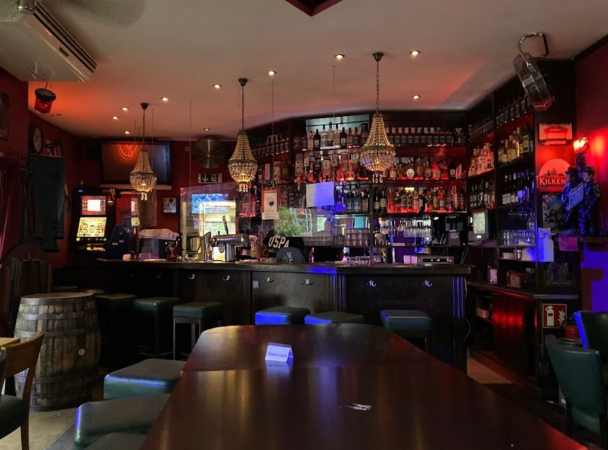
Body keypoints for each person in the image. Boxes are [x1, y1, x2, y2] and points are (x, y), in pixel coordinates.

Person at [579, 166, 600, 236]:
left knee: (591, 223)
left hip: (590, 208)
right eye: (583, 174)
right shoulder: (583, 184)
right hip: (583, 207)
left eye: (585, 174)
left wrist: (589, 205)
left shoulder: (594, 184)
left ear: (591, 175)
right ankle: (584, 235)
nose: (583, 175)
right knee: (583, 222)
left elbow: (597, 196)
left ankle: (591, 236)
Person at [561, 166, 580, 231]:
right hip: (566, 209)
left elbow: (576, 198)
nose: (566, 177)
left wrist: (571, 206)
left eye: (568, 175)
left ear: (573, 177)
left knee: (570, 227)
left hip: (571, 211)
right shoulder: (567, 185)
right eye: (566, 174)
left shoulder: (574, 186)